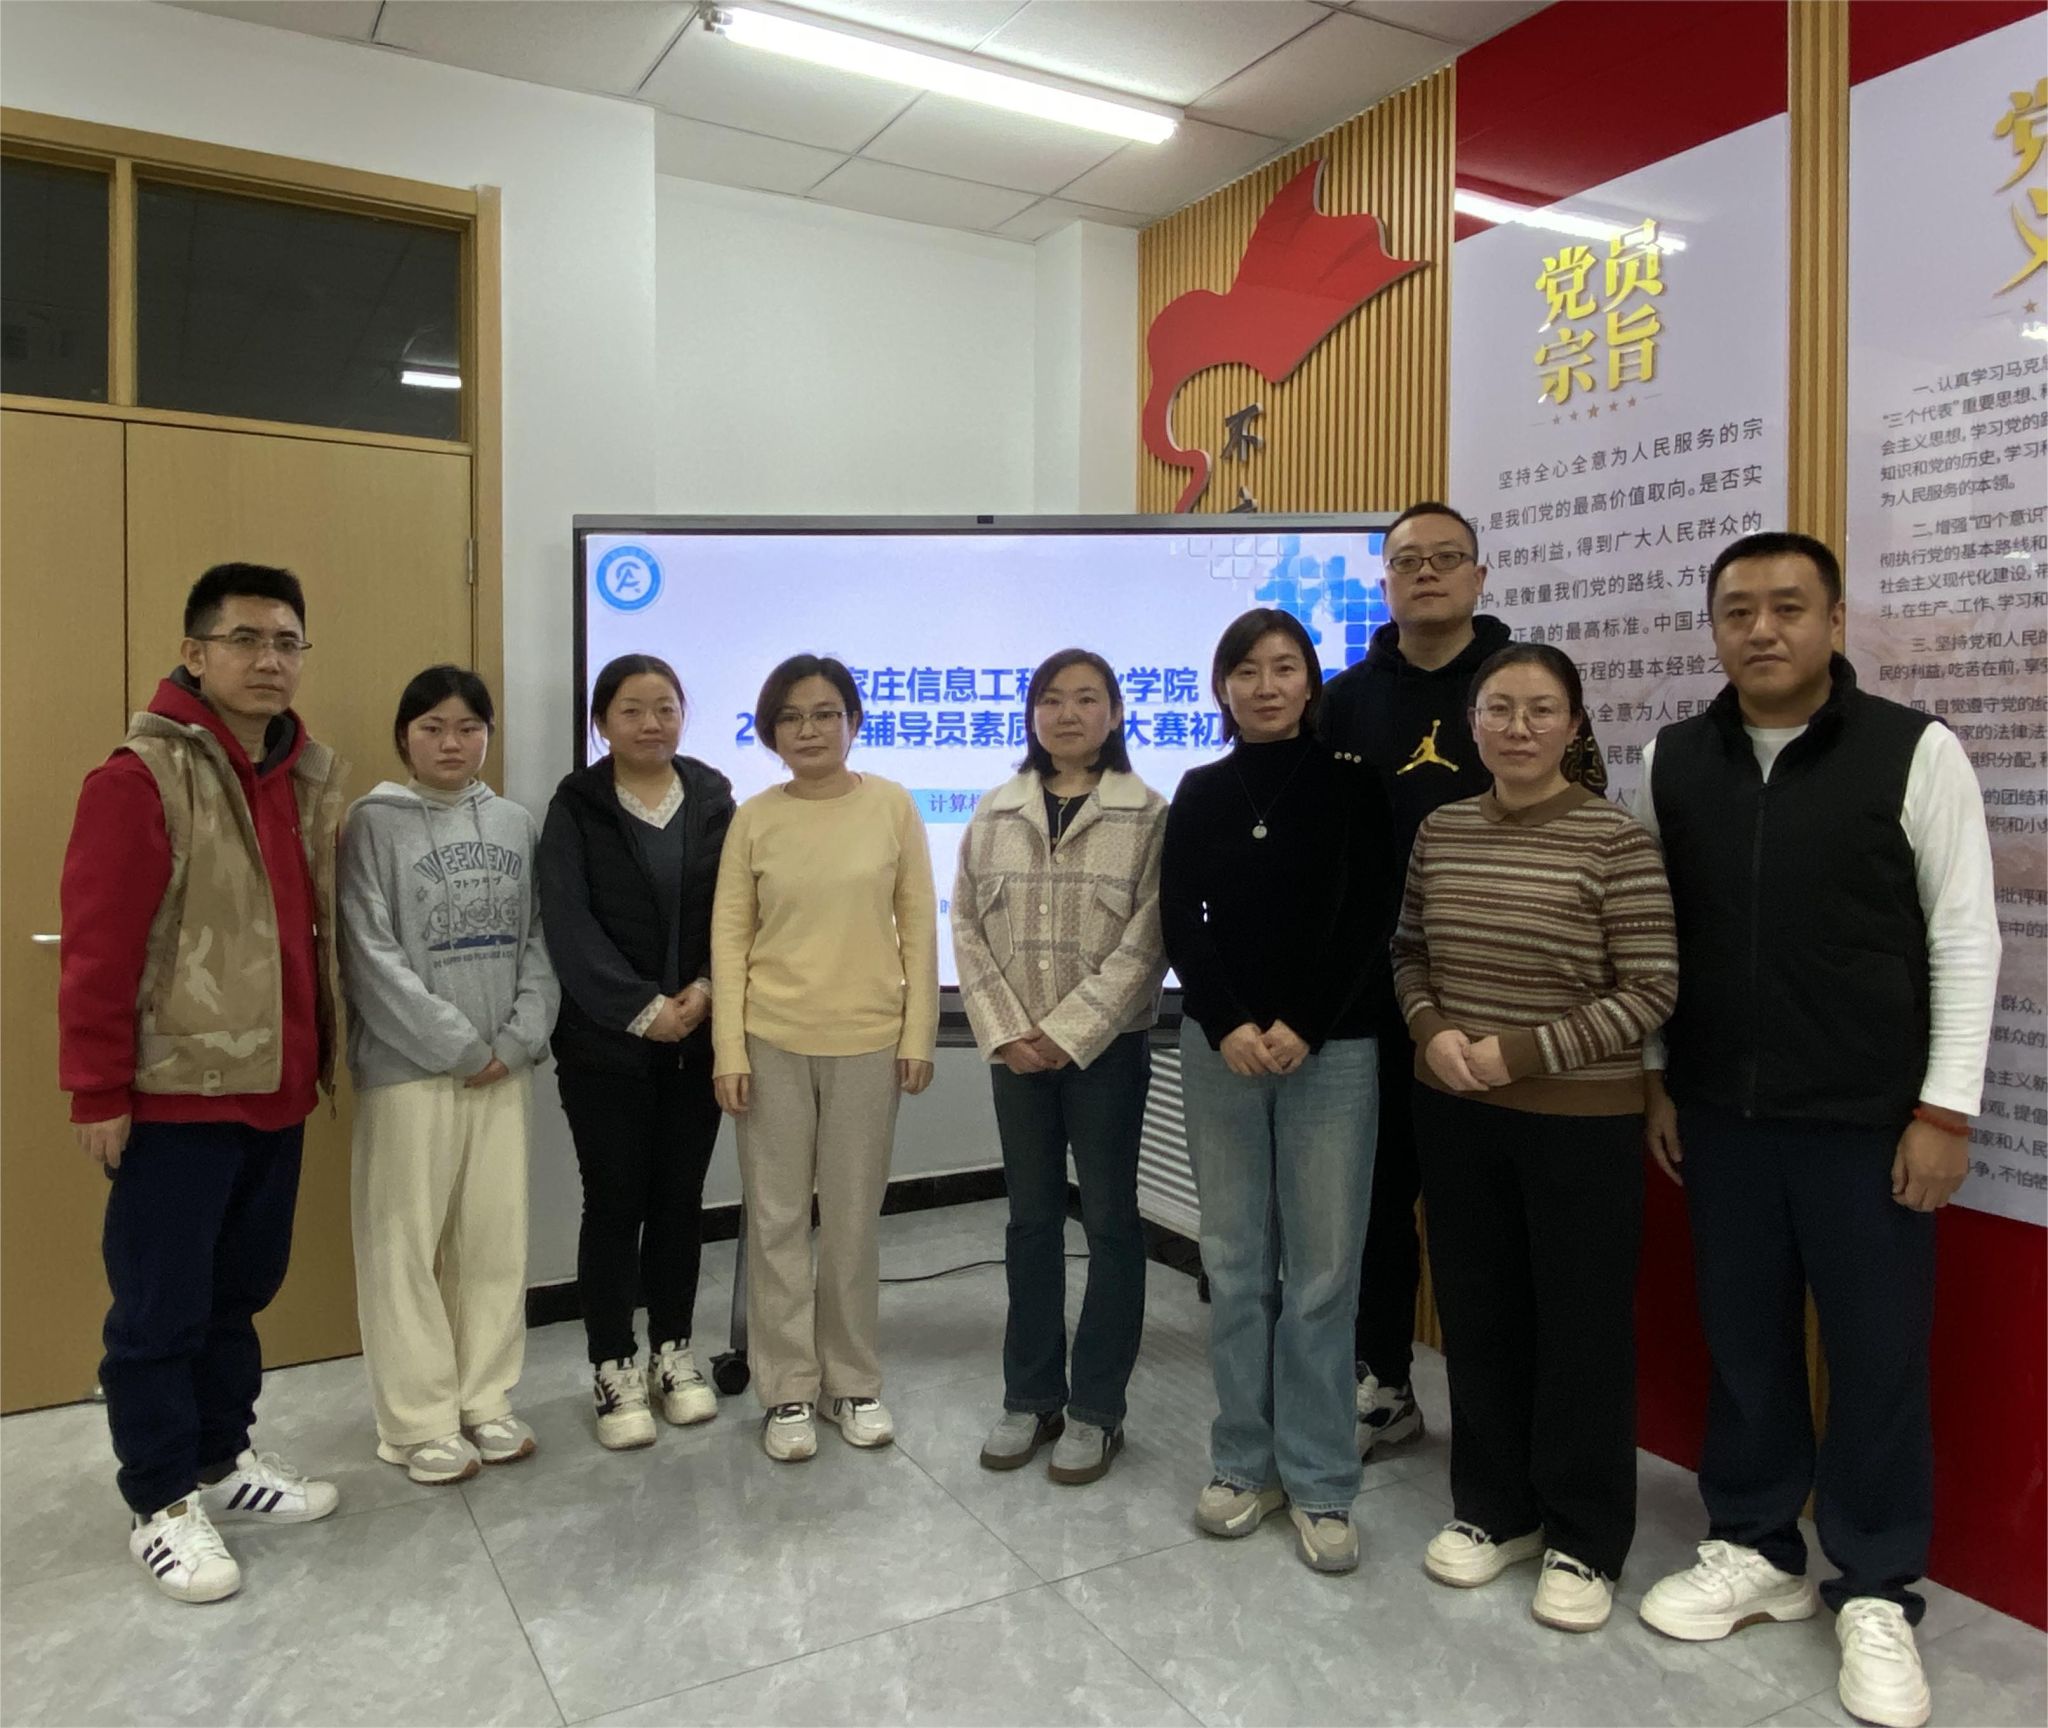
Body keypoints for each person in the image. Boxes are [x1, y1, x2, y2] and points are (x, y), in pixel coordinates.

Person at [1632, 533, 1999, 1728]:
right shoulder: (1672, 760)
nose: (1761, 629)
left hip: (1867, 1123)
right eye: (1736, 609)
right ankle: (1753, 1546)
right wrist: (1655, 1077)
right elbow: (1653, 937)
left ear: (1834, 622)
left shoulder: (1910, 749)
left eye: (1787, 606)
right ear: (1712, 629)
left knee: (1876, 1356)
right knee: (1742, 1343)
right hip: (1720, 1117)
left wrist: (1942, 1109)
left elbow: (1962, 933)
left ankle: (1876, 1585)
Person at [58, 562, 345, 1603]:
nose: (270, 660)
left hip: (276, 1085)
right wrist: (98, 1089)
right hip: (177, 1094)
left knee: (239, 1293)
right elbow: (98, 945)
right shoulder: (140, 777)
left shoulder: (300, 774)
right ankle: (161, 1499)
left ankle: (222, 1459)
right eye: (246, 640)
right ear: (195, 652)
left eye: (287, 642)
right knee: (159, 1308)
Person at [1393, 643, 1677, 1634]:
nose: (1518, 727)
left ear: (1574, 724)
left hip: (1579, 1125)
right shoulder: (1441, 829)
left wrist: (1518, 1053)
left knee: (1580, 1329)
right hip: (1457, 1112)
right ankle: (1494, 1510)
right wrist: (1430, 1031)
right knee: (1479, 1316)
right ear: (1471, 722)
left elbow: (1650, 988)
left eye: (1541, 709)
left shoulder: (1614, 840)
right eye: (1499, 708)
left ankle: (1584, 1538)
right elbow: (1409, 952)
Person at [1319, 500, 1607, 1458]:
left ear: (1481, 578)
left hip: (1509, 1013)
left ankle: (1515, 1418)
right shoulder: (1342, 701)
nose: (1428, 573)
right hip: (1375, 1000)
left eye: (1447, 558)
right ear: (1386, 583)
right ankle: (1384, 1381)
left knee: (1485, 1223)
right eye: (1408, 561)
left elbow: (1583, 821)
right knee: (1374, 1205)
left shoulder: (1524, 686)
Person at [1161, 608, 1396, 1575]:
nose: (1266, 686)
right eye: (1247, 670)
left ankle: (1322, 1479)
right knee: (1236, 1263)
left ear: (1311, 682)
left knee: (1325, 1273)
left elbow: (1369, 914)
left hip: (1330, 1049)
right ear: (1223, 686)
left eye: (1285, 667)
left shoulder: (1353, 783)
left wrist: (1302, 1021)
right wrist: (1227, 1023)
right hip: (1220, 1049)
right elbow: (1181, 918)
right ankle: (1242, 1463)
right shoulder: (1200, 789)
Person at [711, 655, 939, 1463]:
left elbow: (919, 926)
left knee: (850, 1222)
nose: (808, 730)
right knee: (775, 1221)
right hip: (770, 1039)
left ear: (853, 722)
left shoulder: (891, 806)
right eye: (791, 716)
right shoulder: (754, 818)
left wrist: (918, 1035)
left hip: (869, 1042)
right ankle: (786, 1390)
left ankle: (852, 1382)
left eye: (825, 713)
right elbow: (729, 937)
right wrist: (728, 1048)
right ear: (771, 731)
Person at [338, 666, 559, 1485]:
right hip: (410, 1071)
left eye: (469, 727)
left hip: (504, 1067)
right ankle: (417, 1421)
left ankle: (484, 1399)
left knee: (494, 1240)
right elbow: (367, 953)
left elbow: (539, 939)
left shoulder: (513, 823)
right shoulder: (370, 824)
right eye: (432, 727)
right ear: (405, 736)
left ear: (488, 736)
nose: (451, 743)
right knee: (402, 1244)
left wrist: (520, 1038)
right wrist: (460, 1047)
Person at [953, 649, 1169, 1486]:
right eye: (1051, 699)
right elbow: (967, 928)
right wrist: (1012, 1033)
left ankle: (1097, 1409)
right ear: (1032, 713)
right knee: (1030, 1222)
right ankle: (1032, 1396)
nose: (1068, 713)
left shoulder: (1148, 815)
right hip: (1016, 1054)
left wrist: (1069, 1032)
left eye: (1086, 698)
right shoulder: (996, 810)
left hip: (1106, 1054)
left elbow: (1148, 939)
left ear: (1115, 713)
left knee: (1111, 1223)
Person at [540, 654, 734, 1450]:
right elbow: (568, 922)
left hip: (700, 1038)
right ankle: (613, 1364)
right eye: (631, 710)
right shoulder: (576, 805)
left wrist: (707, 989)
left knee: (681, 1202)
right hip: (605, 1048)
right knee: (616, 1203)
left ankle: (673, 1353)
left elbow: (740, 906)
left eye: (665, 708)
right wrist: (643, 1009)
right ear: (602, 722)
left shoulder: (714, 797)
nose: (651, 723)